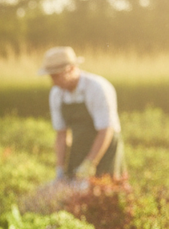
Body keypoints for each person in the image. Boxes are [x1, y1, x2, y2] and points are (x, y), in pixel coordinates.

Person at [41, 46, 126, 183]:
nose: (53, 82)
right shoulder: (57, 93)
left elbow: (106, 130)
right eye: (51, 76)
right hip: (80, 147)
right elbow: (62, 135)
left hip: (106, 148)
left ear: (71, 69)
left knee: (106, 191)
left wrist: (90, 163)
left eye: (56, 76)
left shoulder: (97, 88)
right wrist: (60, 170)